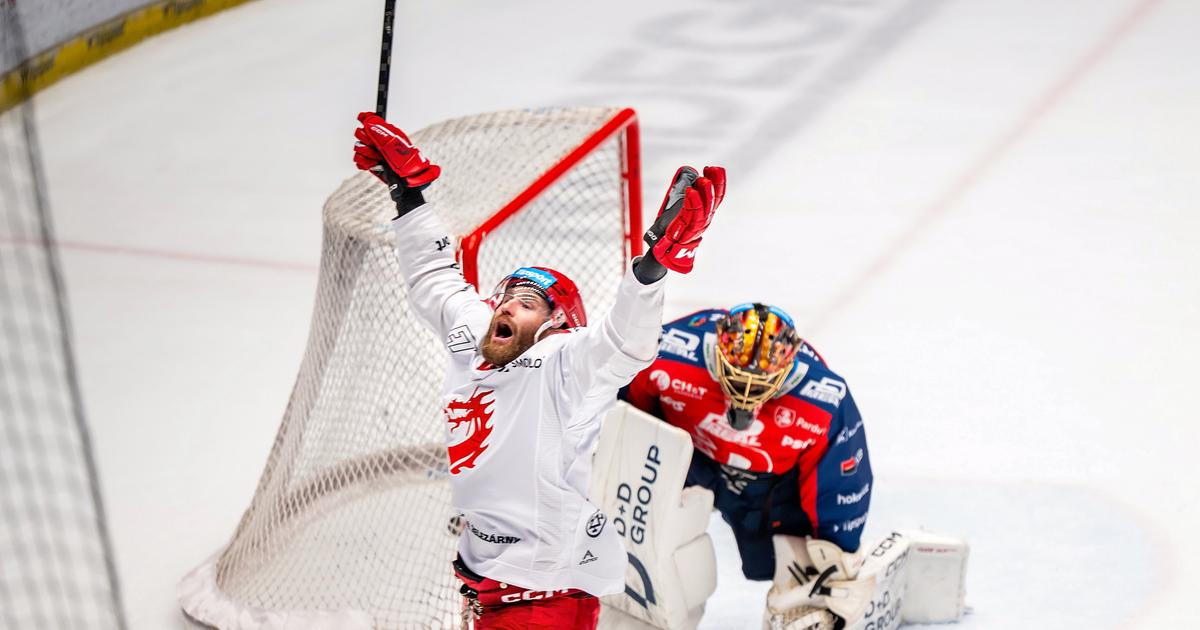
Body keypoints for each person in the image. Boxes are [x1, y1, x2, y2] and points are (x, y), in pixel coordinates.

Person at [352, 112, 725, 629]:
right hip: (488, 586)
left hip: (544, 597)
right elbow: (433, 277)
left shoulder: (561, 365)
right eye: (504, 298)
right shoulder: (474, 338)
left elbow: (622, 343)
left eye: (527, 303)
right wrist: (406, 193)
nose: (504, 307)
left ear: (556, 327)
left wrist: (652, 268)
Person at [620, 303, 872, 583]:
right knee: (639, 534)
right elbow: (626, 415)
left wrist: (838, 551)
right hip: (688, 459)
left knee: (791, 569)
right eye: (738, 377)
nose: (747, 391)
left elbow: (841, 482)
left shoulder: (824, 399)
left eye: (760, 382)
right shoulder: (668, 351)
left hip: (769, 486)